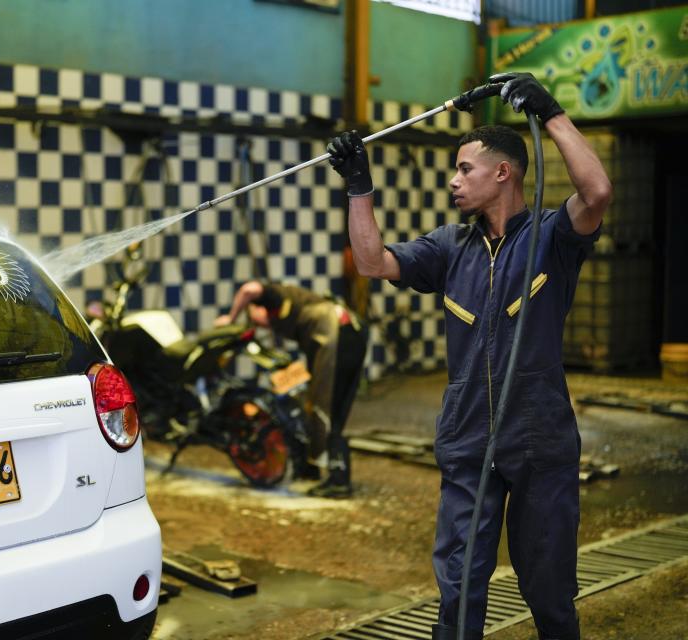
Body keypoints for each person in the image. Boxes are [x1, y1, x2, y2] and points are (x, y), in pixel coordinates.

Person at [327, 72, 611, 640]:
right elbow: (372, 263)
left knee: (550, 591)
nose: (453, 181)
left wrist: (551, 114)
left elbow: (598, 193)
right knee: (457, 593)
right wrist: (359, 187)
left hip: (539, 439)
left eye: (464, 169)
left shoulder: (553, 237)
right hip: (467, 440)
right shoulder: (447, 246)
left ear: (503, 172)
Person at [215, 281, 368, 497]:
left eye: (254, 317)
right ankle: (315, 468)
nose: (260, 324)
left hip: (336, 334)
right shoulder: (288, 309)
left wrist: (230, 318)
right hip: (351, 333)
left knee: (328, 406)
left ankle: (339, 480)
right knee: (328, 404)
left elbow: (249, 289)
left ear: (259, 306)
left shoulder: (274, 295)